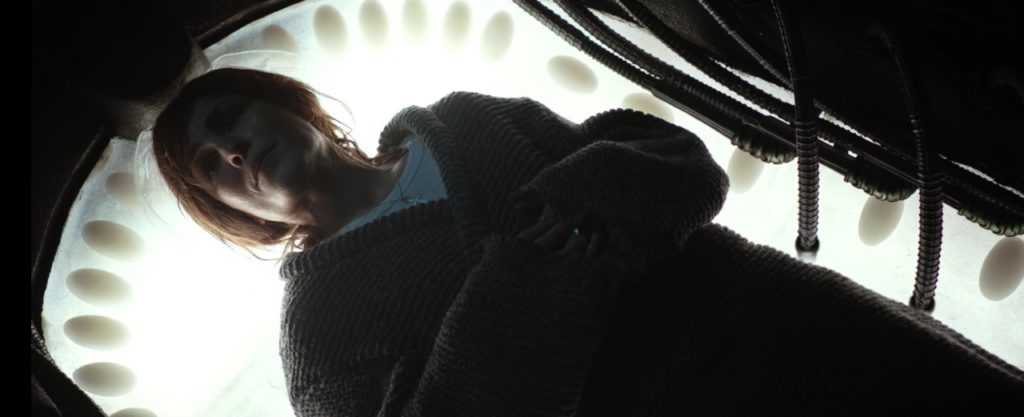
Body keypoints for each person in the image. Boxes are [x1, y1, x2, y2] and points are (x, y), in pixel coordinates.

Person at [152, 68, 1022, 416]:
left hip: (787, 322)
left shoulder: (463, 119)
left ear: (286, 103)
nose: (232, 152)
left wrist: (578, 203)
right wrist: (528, 276)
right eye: (209, 167)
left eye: (229, 119)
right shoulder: (319, 335)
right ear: (230, 208)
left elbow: (677, 162)